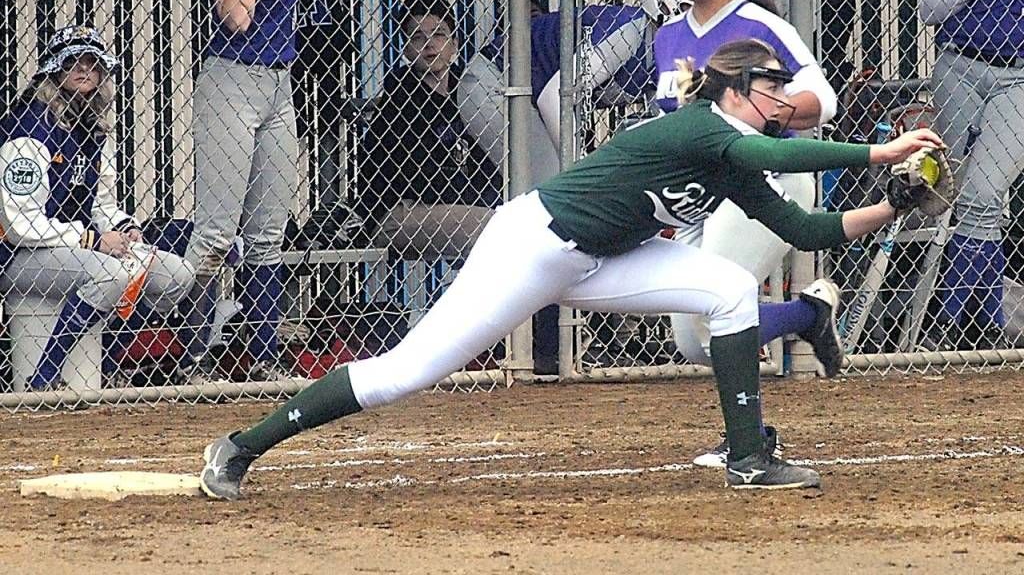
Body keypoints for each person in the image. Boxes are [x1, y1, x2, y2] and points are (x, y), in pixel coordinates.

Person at [198, 39, 944, 499]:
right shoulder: (704, 128)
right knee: (403, 373)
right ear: (734, 90)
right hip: (533, 245)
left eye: (783, 88)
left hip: (603, 257)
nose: (783, 98)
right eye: (771, 87)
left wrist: (892, 204)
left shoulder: (734, 158)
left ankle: (748, 458)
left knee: (728, 289)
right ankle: (239, 447)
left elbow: (809, 226)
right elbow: (777, 154)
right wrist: (878, 151)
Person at [650, 0, 840, 467]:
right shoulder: (668, 35)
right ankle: (806, 315)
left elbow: (821, 100)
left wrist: (761, 118)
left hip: (765, 178)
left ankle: (750, 439)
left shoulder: (760, 26)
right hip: (700, 190)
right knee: (691, 339)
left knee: (715, 321)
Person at [181, 0, 376, 382]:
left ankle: (265, 355)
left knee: (268, 230)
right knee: (218, 233)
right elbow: (237, 17)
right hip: (231, 79)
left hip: (279, 84)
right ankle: (192, 355)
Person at [0, 26, 195, 391]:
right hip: (14, 255)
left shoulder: (93, 129)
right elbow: (19, 225)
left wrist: (124, 228)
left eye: (92, 63)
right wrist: (91, 239)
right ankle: (43, 378)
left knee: (176, 275)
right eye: (73, 61)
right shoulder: (31, 128)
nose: (84, 69)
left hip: (73, 247)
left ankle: (105, 360)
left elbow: (101, 202)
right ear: (55, 70)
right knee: (109, 274)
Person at [917, 0, 1024, 351]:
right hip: (959, 65)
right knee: (958, 196)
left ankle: (956, 321)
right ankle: (986, 324)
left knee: (983, 193)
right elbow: (929, 8)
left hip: (1017, 77)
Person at [456, 0, 688, 182]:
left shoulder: (674, 55)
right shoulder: (626, 30)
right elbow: (554, 97)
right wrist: (584, 168)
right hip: (497, 81)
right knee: (553, 184)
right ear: (665, 8)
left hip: (536, 94)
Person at [359, 0, 502, 261]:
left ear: (454, 44)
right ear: (405, 50)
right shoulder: (399, 98)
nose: (428, 45)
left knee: (501, 224)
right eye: (417, 37)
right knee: (497, 229)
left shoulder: (470, 90)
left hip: (464, 206)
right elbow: (418, 178)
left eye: (438, 34)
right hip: (401, 212)